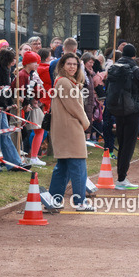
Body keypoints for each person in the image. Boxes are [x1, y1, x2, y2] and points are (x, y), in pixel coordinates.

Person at [47, 53, 92, 210]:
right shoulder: (65, 82)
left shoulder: (63, 81)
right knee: (78, 166)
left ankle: (54, 200)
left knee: (63, 167)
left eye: (75, 64)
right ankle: (80, 202)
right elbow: (75, 108)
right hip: (71, 129)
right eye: (69, 64)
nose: (72, 67)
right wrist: (86, 123)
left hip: (63, 128)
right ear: (62, 65)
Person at [105, 44, 139, 187]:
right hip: (132, 110)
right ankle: (121, 179)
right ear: (134, 56)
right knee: (129, 145)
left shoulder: (113, 68)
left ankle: (121, 177)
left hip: (117, 110)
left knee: (122, 142)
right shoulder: (137, 70)